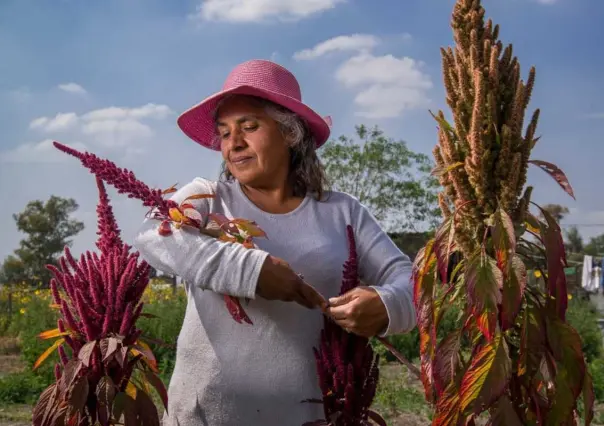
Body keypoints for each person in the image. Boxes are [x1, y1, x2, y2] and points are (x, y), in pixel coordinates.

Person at [132, 59, 416, 426]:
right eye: (224, 132)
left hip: (313, 416)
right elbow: (157, 236)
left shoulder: (342, 212)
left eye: (249, 126)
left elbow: (407, 278)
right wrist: (251, 270)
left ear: (290, 133)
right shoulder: (208, 197)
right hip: (206, 414)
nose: (233, 142)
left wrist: (386, 304)